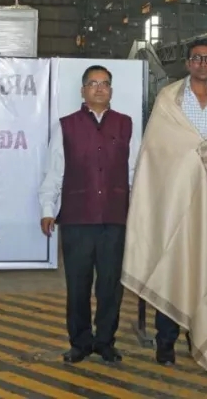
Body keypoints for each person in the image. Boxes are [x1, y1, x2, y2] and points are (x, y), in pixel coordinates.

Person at [121, 38, 207, 374]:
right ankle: (166, 340)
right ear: (188, 63)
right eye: (197, 58)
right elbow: (156, 150)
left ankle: (198, 335)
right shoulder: (169, 99)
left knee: (205, 263)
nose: (203, 63)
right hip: (174, 200)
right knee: (173, 264)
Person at [38, 65, 137, 364]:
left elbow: (134, 171)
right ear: (83, 90)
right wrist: (47, 208)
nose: (99, 88)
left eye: (105, 83)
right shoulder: (66, 126)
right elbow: (54, 171)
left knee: (110, 286)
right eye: (93, 83)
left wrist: (139, 210)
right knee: (78, 285)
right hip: (77, 219)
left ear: (111, 90)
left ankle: (105, 341)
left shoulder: (126, 124)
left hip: (114, 219)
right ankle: (80, 343)